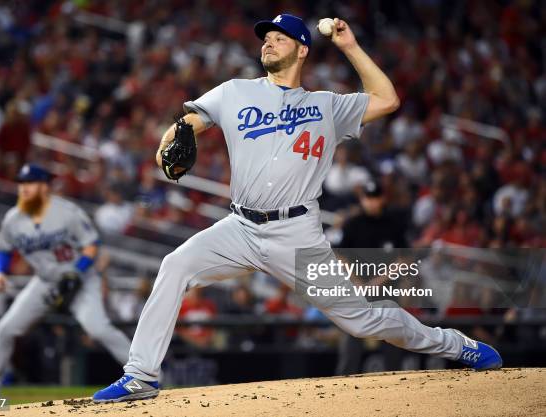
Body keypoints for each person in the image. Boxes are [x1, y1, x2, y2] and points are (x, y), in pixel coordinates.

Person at [93, 14, 501, 403]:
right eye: (266, 37)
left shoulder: (328, 106)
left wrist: (350, 46)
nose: (268, 41)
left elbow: (388, 99)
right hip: (239, 228)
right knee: (175, 265)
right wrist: (168, 144)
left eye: (279, 37)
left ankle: (457, 346)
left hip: (296, 236)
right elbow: (187, 124)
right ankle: (141, 375)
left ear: (302, 50)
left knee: (362, 320)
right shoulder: (235, 91)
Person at [0, 163, 131, 398]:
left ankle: (145, 374)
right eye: (22, 183)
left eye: (30, 183)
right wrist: (0, 271)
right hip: (44, 282)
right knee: (6, 328)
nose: (24, 188)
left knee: (98, 329)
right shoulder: (13, 219)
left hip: (81, 279)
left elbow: (91, 244)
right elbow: (3, 249)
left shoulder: (67, 212)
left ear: (44, 187)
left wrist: (77, 270)